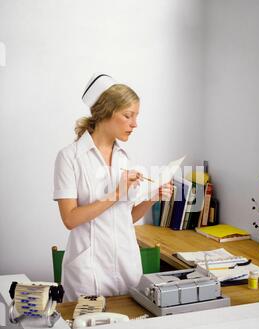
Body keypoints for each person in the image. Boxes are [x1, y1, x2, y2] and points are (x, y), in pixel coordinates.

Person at [53, 73, 173, 301]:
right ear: (106, 112)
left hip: (127, 269)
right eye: (128, 116)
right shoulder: (69, 158)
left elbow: (124, 218)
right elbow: (70, 219)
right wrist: (116, 193)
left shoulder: (123, 158)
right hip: (88, 274)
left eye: (136, 116)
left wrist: (152, 197)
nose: (135, 124)